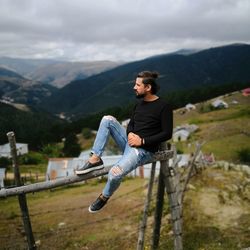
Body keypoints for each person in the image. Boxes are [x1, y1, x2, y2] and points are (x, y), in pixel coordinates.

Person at [76, 71, 173, 213]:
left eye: (138, 85)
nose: (134, 87)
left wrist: (142, 141)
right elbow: (131, 125)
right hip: (130, 143)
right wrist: (130, 134)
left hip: (143, 151)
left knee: (115, 173)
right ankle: (95, 159)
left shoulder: (164, 106)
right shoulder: (138, 105)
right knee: (107, 119)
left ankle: (104, 196)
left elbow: (167, 133)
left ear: (148, 88)